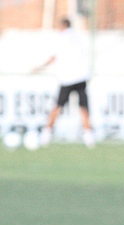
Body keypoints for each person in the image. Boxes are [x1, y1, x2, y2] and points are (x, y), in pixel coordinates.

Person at [33, 18, 94, 148]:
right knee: (83, 106)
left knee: (58, 106)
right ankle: (89, 136)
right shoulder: (79, 37)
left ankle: (46, 134)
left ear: (62, 26)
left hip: (67, 78)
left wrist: (40, 67)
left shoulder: (61, 38)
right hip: (82, 77)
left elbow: (53, 57)